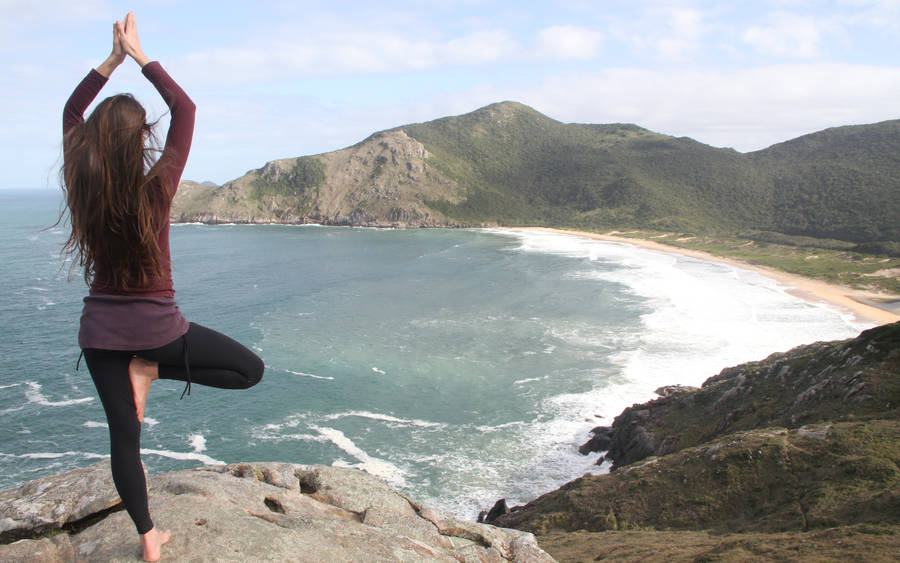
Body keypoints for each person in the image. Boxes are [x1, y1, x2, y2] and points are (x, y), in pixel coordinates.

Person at [61, 13, 264, 562]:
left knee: (123, 441)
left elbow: (71, 113)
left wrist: (110, 62)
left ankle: (148, 539)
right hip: (158, 330)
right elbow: (186, 110)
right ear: (142, 140)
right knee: (250, 371)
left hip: (99, 336)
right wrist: (140, 55)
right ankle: (151, 367)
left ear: (95, 142)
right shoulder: (158, 190)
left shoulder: (84, 187)